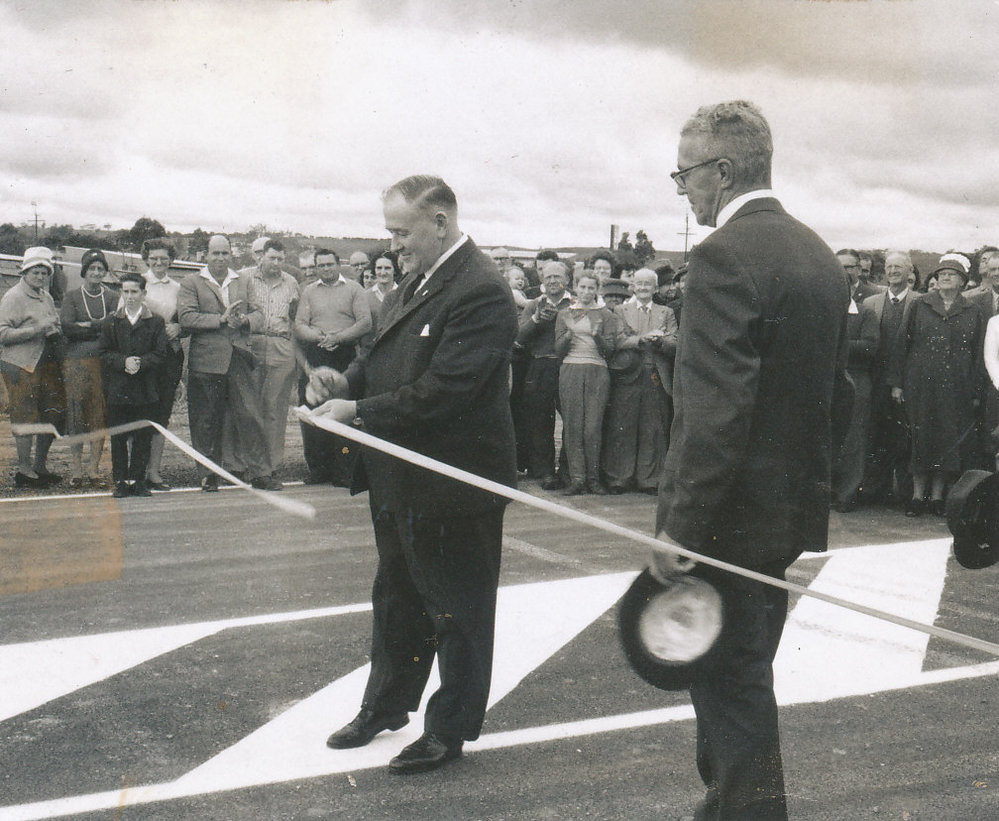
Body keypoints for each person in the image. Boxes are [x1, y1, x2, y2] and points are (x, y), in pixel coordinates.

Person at [652, 101, 848, 820]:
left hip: (723, 525)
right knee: (740, 677)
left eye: (685, 175)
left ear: (723, 170)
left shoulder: (721, 257)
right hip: (783, 516)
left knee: (732, 696)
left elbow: (712, 413)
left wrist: (677, 526)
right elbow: (840, 396)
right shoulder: (817, 253)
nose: (682, 191)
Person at [318, 174, 517, 775]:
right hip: (401, 475)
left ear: (440, 222)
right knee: (397, 598)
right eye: (389, 234)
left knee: (457, 610)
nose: (394, 247)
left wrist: (359, 412)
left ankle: (449, 729)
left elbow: (446, 390)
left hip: (453, 482)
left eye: (402, 234)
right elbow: (382, 357)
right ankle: (386, 705)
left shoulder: (482, 290)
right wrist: (345, 383)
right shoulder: (416, 280)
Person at [890, 254, 986, 517]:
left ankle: (937, 497)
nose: (944, 277)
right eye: (940, 273)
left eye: (951, 274)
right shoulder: (920, 306)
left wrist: (976, 392)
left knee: (947, 440)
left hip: (956, 388)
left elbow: (978, 355)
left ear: (963, 282)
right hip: (919, 385)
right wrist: (897, 384)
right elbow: (902, 346)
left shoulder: (972, 311)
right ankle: (917, 496)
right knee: (921, 438)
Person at [177, 234, 269, 492]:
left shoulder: (243, 281)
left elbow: (260, 314)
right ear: (206, 255)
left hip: (239, 358)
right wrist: (220, 319)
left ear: (231, 255)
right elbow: (186, 318)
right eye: (215, 253)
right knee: (206, 420)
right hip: (206, 362)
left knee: (250, 416)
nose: (220, 258)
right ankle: (208, 475)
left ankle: (260, 473)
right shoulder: (191, 281)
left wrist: (244, 321)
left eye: (224, 253)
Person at [294, 248, 372, 485]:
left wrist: (338, 338)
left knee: (344, 414)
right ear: (316, 267)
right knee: (313, 411)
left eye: (330, 264)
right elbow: (299, 325)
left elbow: (365, 323)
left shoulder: (354, 289)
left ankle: (344, 470)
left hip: (345, 354)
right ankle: (318, 470)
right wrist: (318, 337)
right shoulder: (309, 291)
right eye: (321, 265)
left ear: (339, 265)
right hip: (317, 354)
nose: (325, 269)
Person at [601, 268, 678, 494]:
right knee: (622, 425)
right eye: (639, 284)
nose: (643, 288)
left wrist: (661, 340)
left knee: (653, 427)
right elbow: (617, 340)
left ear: (655, 288)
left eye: (648, 284)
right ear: (633, 287)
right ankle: (618, 478)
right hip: (628, 374)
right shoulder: (620, 310)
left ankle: (650, 479)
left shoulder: (666, 312)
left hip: (655, 374)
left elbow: (676, 341)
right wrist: (641, 339)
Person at [0, 247, 66, 488]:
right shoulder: (13, 297)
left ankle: (40, 466)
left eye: (44, 273)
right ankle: (24, 471)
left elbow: (52, 323)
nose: (40, 277)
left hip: (45, 362)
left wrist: (53, 329)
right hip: (19, 364)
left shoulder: (46, 297)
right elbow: (3, 333)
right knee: (25, 415)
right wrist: (37, 330)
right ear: (25, 272)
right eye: (35, 272)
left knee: (53, 412)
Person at [99, 273, 168, 498]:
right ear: (121, 293)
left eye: (134, 291)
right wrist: (122, 362)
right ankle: (120, 480)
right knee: (118, 436)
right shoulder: (111, 321)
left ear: (143, 294)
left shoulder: (155, 321)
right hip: (118, 389)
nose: (130, 296)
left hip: (145, 388)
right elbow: (104, 352)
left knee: (142, 435)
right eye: (126, 292)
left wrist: (141, 362)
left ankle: (138, 480)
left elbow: (160, 354)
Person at [241, 238, 300, 490]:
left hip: (280, 346)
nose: (276, 263)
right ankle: (250, 467)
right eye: (271, 258)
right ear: (260, 257)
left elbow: (296, 319)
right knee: (249, 409)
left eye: (280, 259)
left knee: (274, 410)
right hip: (252, 345)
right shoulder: (244, 278)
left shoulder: (292, 283)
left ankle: (272, 468)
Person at [554, 271, 620, 495]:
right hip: (571, 369)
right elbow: (558, 350)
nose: (586, 292)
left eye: (591, 288)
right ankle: (577, 479)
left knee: (592, 428)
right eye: (582, 287)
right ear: (575, 287)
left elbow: (610, 351)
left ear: (597, 290)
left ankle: (593, 479)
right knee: (573, 426)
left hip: (597, 371)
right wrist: (568, 335)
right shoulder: (564, 314)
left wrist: (597, 335)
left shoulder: (607, 315)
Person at [861, 251, 918, 506]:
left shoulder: (921, 301)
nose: (893, 271)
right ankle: (875, 490)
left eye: (898, 267)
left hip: (906, 382)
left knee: (905, 437)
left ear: (909, 272)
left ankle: (905, 495)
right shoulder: (871, 302)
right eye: (889, 267)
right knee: (875, 434)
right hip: (875, 380)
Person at [60, 248, 117, 488]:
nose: (96, 272)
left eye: (100, 269)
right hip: (76, 363)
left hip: (103, 363)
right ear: (84, 272)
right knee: (77, 414)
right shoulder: (72, 296)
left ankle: (93, 469)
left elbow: (114, 326)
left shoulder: (113, 296)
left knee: (98, 414)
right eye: (92, 269)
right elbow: (68, 328)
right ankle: (76, 469)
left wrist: (88, 325)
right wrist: (99, 326)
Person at [516, 261, 573, 489]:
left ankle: (568, 471)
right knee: (540, 421)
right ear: (542, 281)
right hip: (539, 366)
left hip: (567, 365)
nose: (552, 281)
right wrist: (537, 320)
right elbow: (519, 338)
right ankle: (545, 472)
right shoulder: (533, 305)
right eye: (547, 277)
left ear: (567, 280)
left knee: (571, 417)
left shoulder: (575, 304)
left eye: (557, 276)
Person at [140, 238, 184, 491]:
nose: (159, 263)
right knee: (140, 411)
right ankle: (137, 471)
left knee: (160, 413)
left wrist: (179, 327)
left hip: (168, 357)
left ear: (171, 260)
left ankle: (154, 472)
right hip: (144, 357)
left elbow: (183, 321)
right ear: (146, 259)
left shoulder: (178, 288)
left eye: (164, 259)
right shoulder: (137, 284)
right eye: (154, 258)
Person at [830, 296, 879, 512]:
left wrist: (836, 345)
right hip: (826, 378)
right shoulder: (824, 309)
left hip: (856, 378)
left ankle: (847, 493)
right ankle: (825, 492)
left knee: (853, 438)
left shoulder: (865, 313)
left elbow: (870, 346)